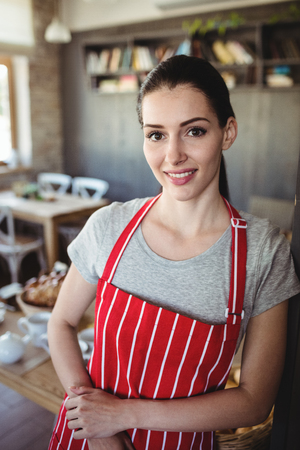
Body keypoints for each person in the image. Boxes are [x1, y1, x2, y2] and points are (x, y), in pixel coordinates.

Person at [48, 55, 300, 450]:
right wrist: (98, 423)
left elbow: (254, 401)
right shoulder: (109, 226)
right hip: (87, 436)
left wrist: (126, 414)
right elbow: (60, 323)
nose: (173, 155)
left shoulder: (263, 251)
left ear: (227, 132)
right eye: (156, 134)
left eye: (194, 131)